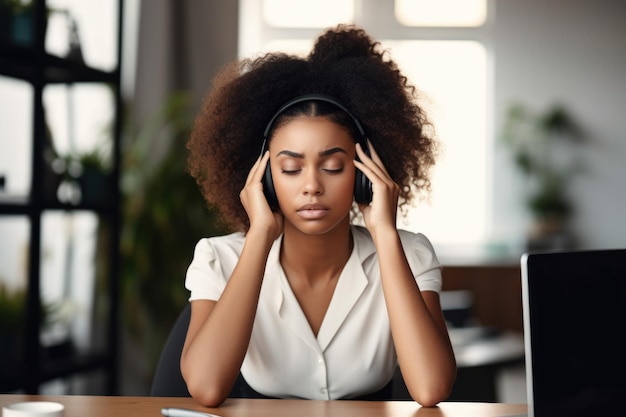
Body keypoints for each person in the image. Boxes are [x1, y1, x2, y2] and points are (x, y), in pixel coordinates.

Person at [182, 24, 456, 407]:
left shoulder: (408, 255)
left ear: (364, 175)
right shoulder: (220, 259)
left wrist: (385, 233)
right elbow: (207, 388)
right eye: (291, 169)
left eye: (332, 167)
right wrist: (259, 234)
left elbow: (431, 390)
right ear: (264, 177)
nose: (311, 185)